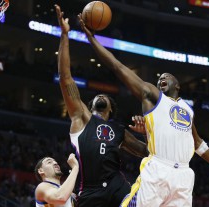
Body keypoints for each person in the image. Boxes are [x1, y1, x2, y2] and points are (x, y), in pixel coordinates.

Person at [78, 14, 209, 207]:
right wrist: (92, 39)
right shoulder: (153, 96)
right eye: (158, 78)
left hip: (183, 175)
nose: (160, 78)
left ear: (178, 85)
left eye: (166, 76)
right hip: (158, 168)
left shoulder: (187, 110)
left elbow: (198, 144)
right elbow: (117, 66)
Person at [55, 5, 148, 207]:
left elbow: (147, 152)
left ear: (111, 109)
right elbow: (65, 78)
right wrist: (64, 35)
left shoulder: (119, 130)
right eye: (97, 95)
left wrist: (147, 132)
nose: (101, 95)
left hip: (117, 185)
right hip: (90, 189)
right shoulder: (81, 117)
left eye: (104, 95)